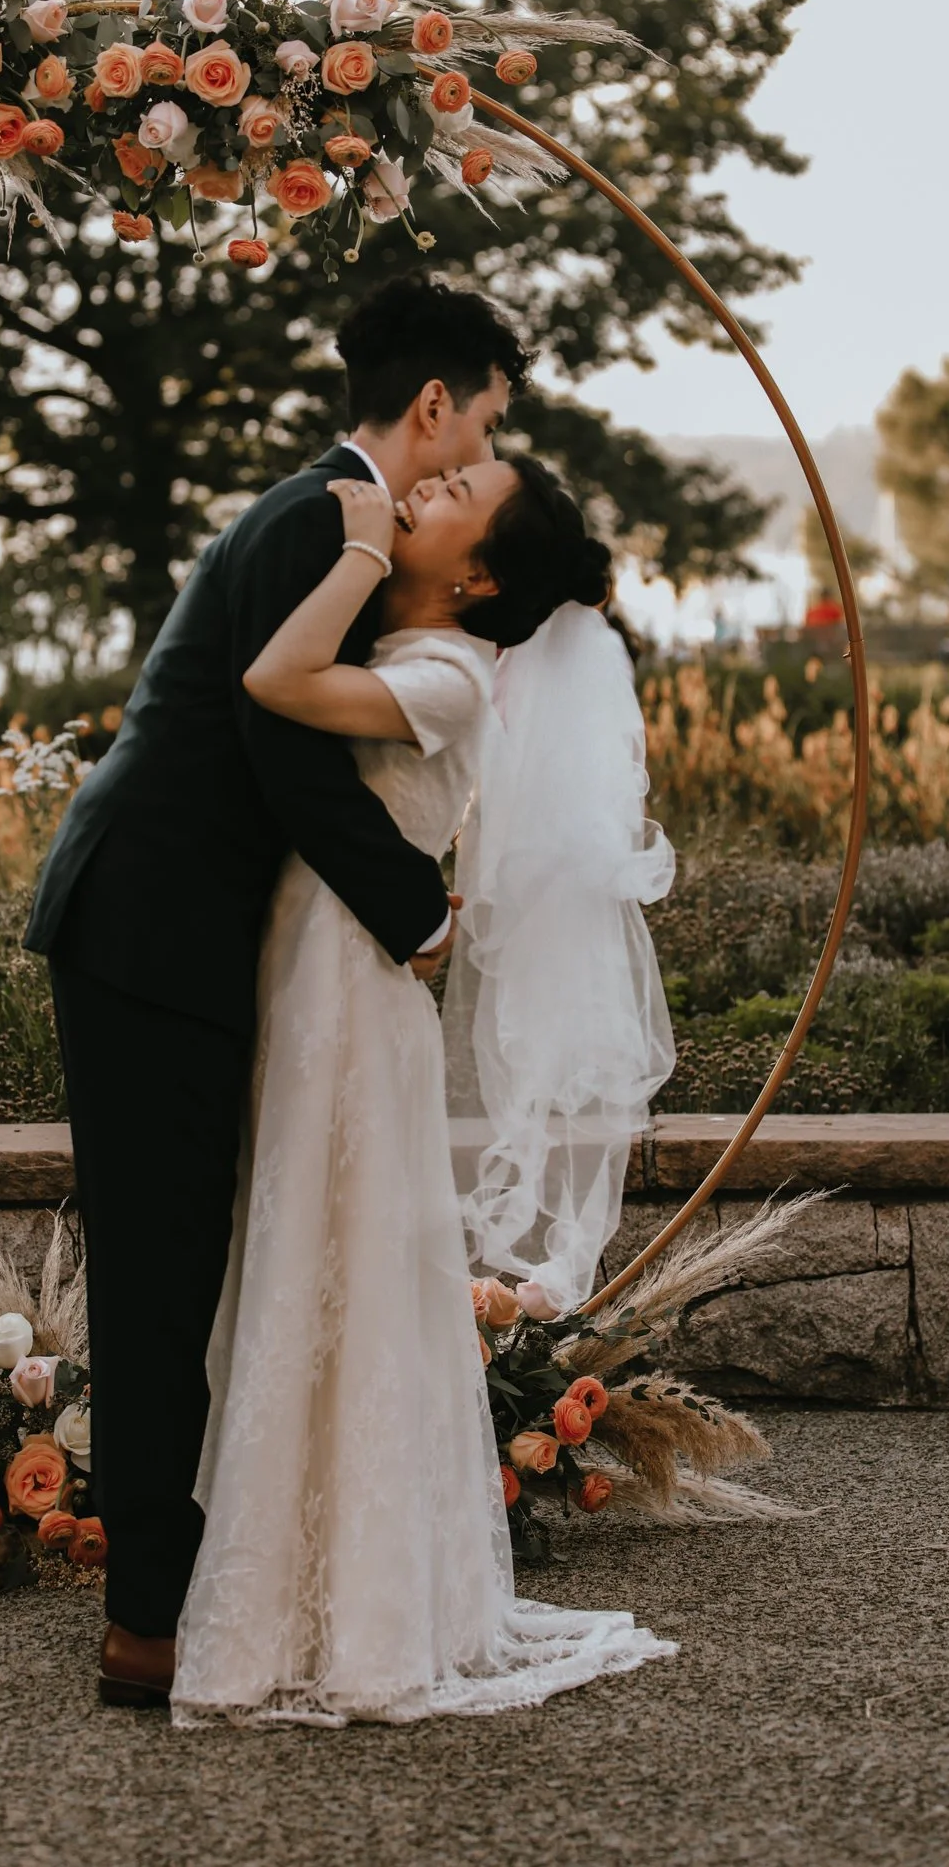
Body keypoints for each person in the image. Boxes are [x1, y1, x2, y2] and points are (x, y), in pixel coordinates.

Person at [23, 274, 528, 1705]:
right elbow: (283, 752)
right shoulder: (325, 520)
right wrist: (412, 917)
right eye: (482, 418)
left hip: (172, 935)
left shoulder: (338, 520)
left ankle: (184, 1592)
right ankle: (144, 1624)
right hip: (148, 937)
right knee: (155, 1272)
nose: (480, 452)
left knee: (184, 1261)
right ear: (431, 404)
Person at [169, 455, 676, 1726]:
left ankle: (357, 1607)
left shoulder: (446, 673)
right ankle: (307, 1579)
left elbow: (273, 682)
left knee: (325, 1254)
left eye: (455, 490)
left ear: (478, 574)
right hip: (322, 967)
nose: (422, 482)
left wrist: (344, 551)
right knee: (309, 1252)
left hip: (346, 987)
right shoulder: (428, 652)